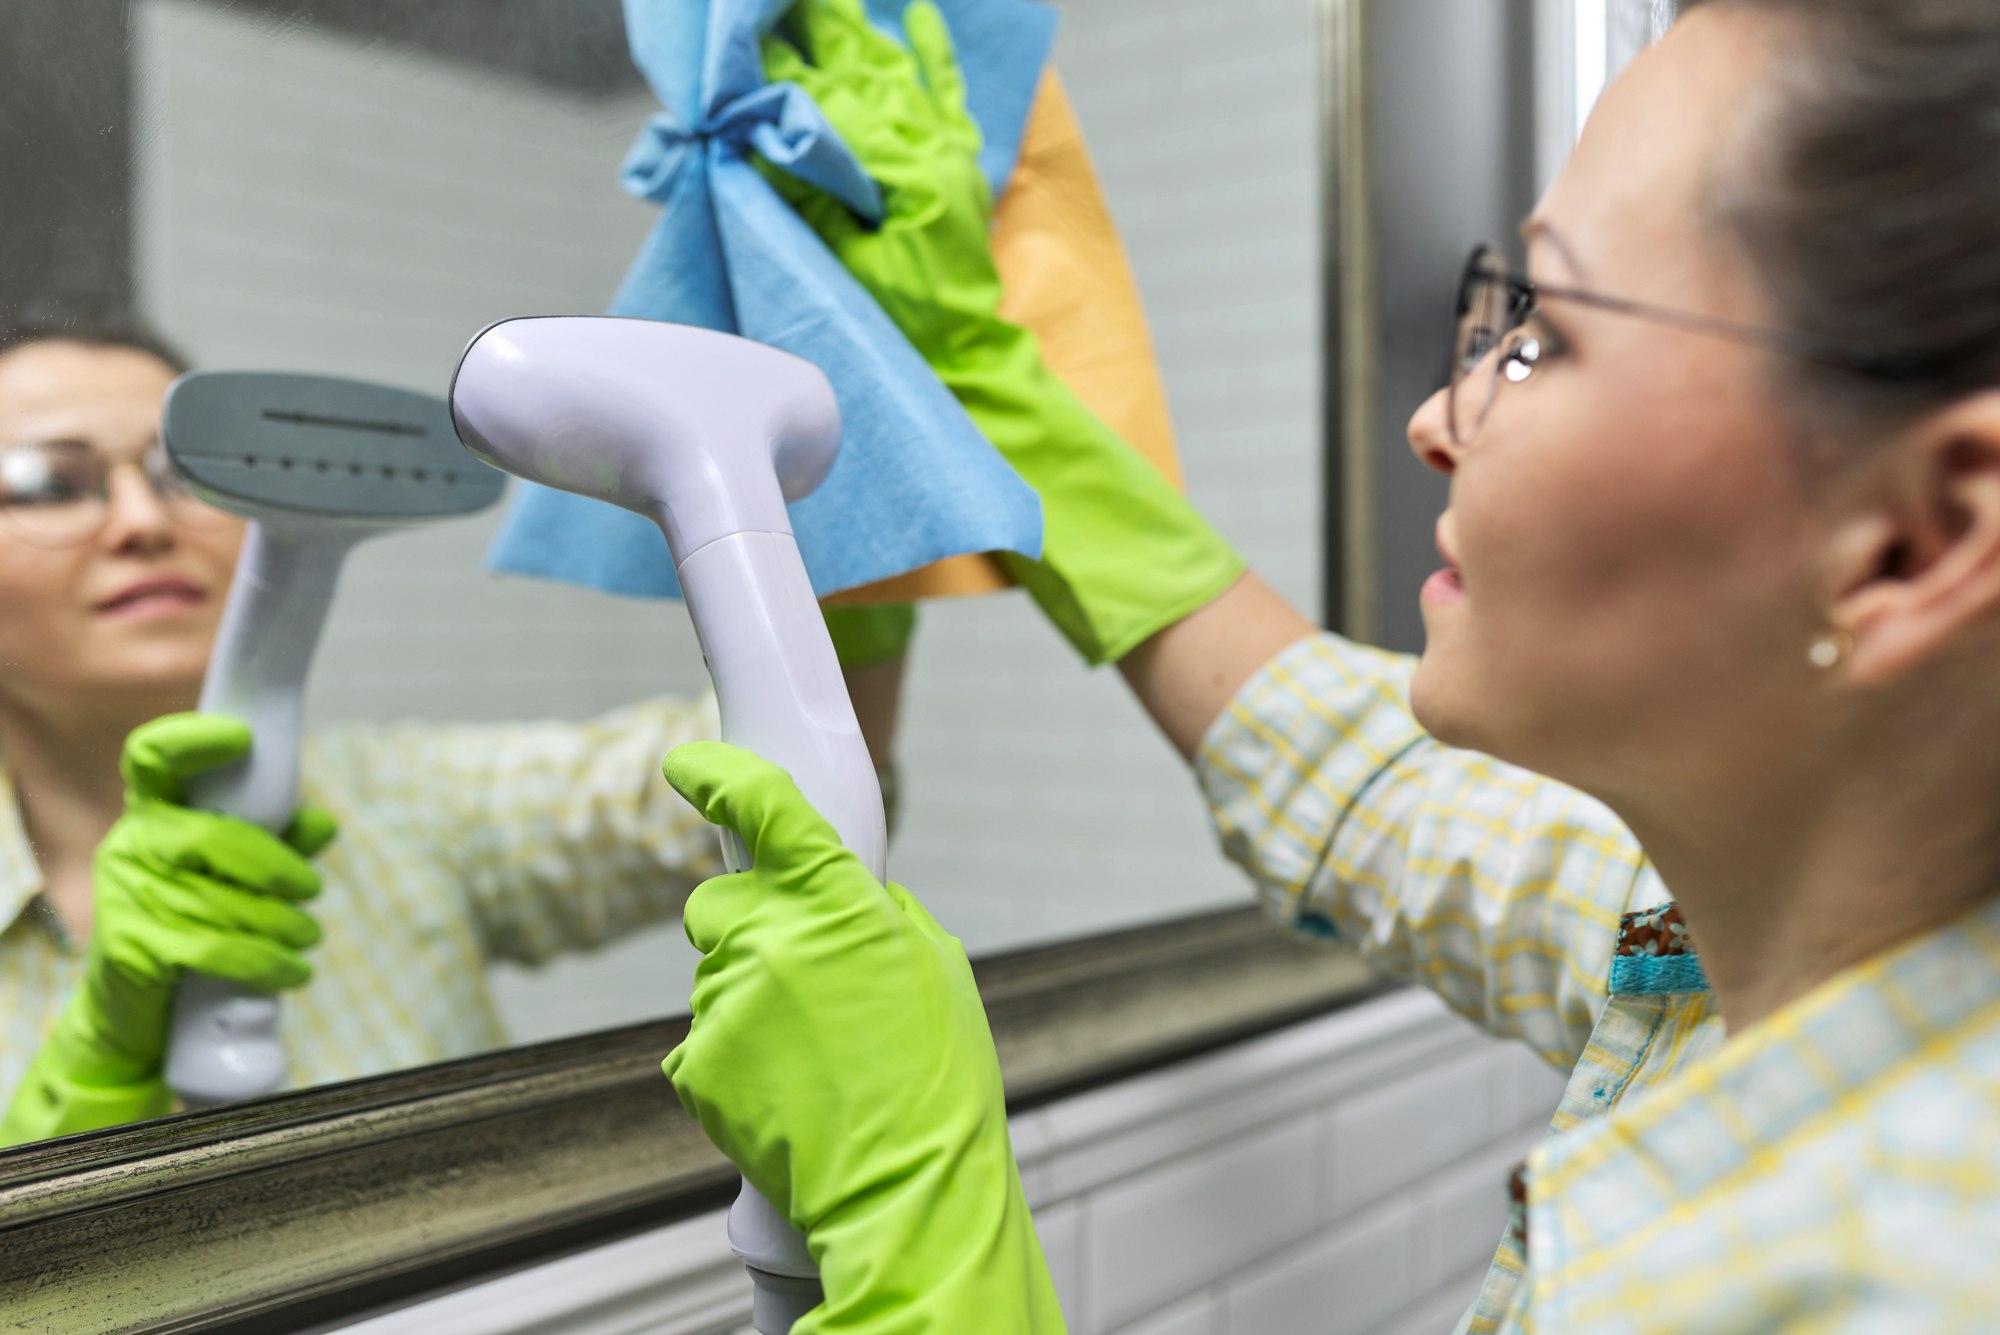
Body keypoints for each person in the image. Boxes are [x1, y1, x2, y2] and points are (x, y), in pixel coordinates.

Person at [655, 0, 2000, 1330]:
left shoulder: (1909, 1272)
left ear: (1918, 539)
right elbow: (1370, 794)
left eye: (1551, 333)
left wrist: (923, 1212)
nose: (1433, 419)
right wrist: (981, 382)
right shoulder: (1740, 936)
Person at [0, 304, 910, 1145]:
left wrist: (846, 480)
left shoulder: (404, 801)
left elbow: (769, 788)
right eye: (46, 483)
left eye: (179, 468)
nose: (140, 521)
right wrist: (94, 1070)